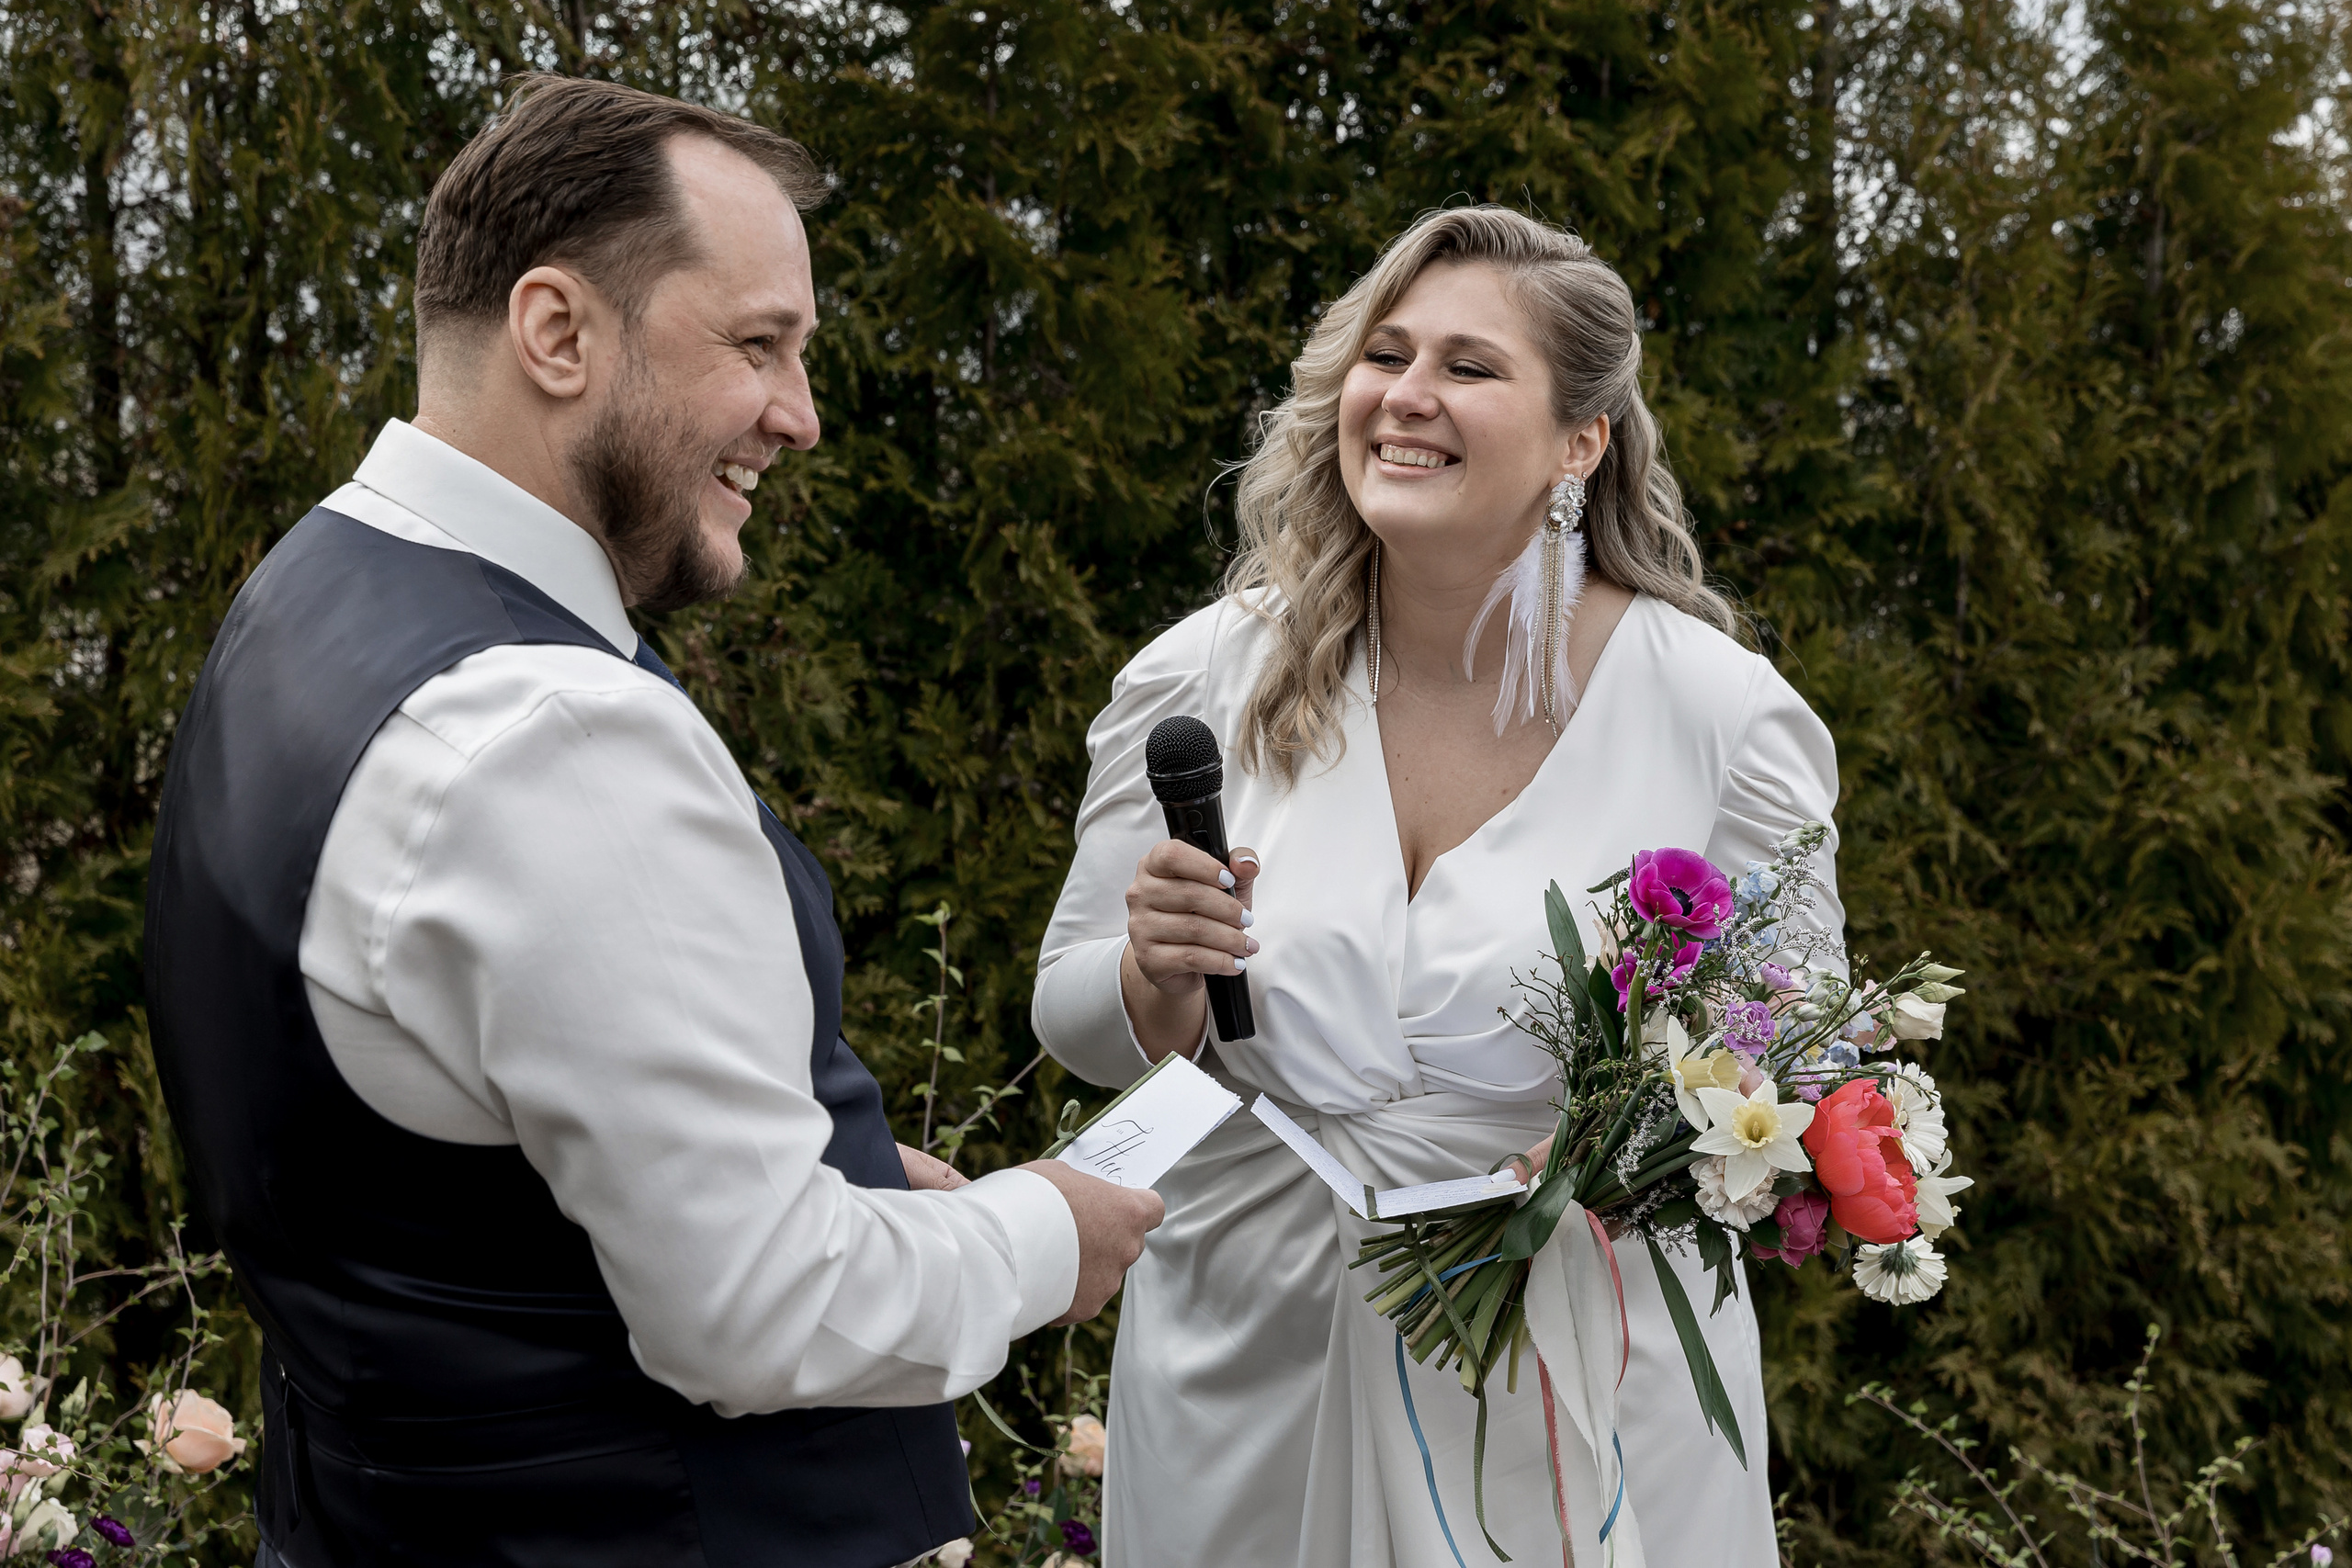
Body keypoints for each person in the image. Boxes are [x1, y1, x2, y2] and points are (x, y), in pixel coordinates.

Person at [143, 74, 1161, 1568]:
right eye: (760, 345)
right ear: (559, 331)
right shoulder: (549, 731)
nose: (800, 419)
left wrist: (851, 1190)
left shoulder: (307, 598)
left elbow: (474, 1152)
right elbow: (754, 1310)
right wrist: (1038, 1236)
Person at [1032, 206, 1844, 1566]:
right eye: (1384, 353)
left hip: (1569, 1364)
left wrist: (1618, 1166)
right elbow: (1074, 1019)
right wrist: (1148, 976)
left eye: (1469, 367)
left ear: (1581, 440)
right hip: (1248, 1346)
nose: (1405, 397)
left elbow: (1798, 1050)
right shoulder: (1200, 678)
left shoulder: (1715, 716)